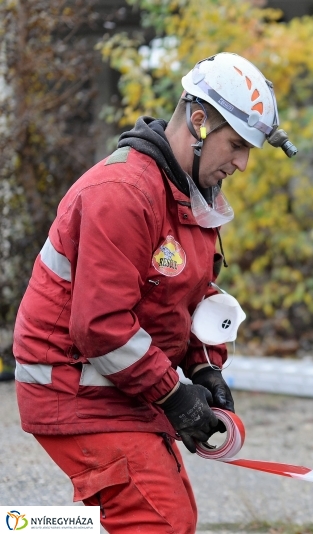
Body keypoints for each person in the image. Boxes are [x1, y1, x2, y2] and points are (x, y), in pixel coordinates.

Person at [12, 52, 295, 533]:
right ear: (200, 122)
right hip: (75, 389)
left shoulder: (187, 196)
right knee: (160, 517)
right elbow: (101, 326)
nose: (243, 164)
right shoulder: (123, 193)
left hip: (114, 388)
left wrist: (205, 368)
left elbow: (189, 299)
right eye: (237, 145)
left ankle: (17, 525)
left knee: (122, 512)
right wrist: (173, 395)